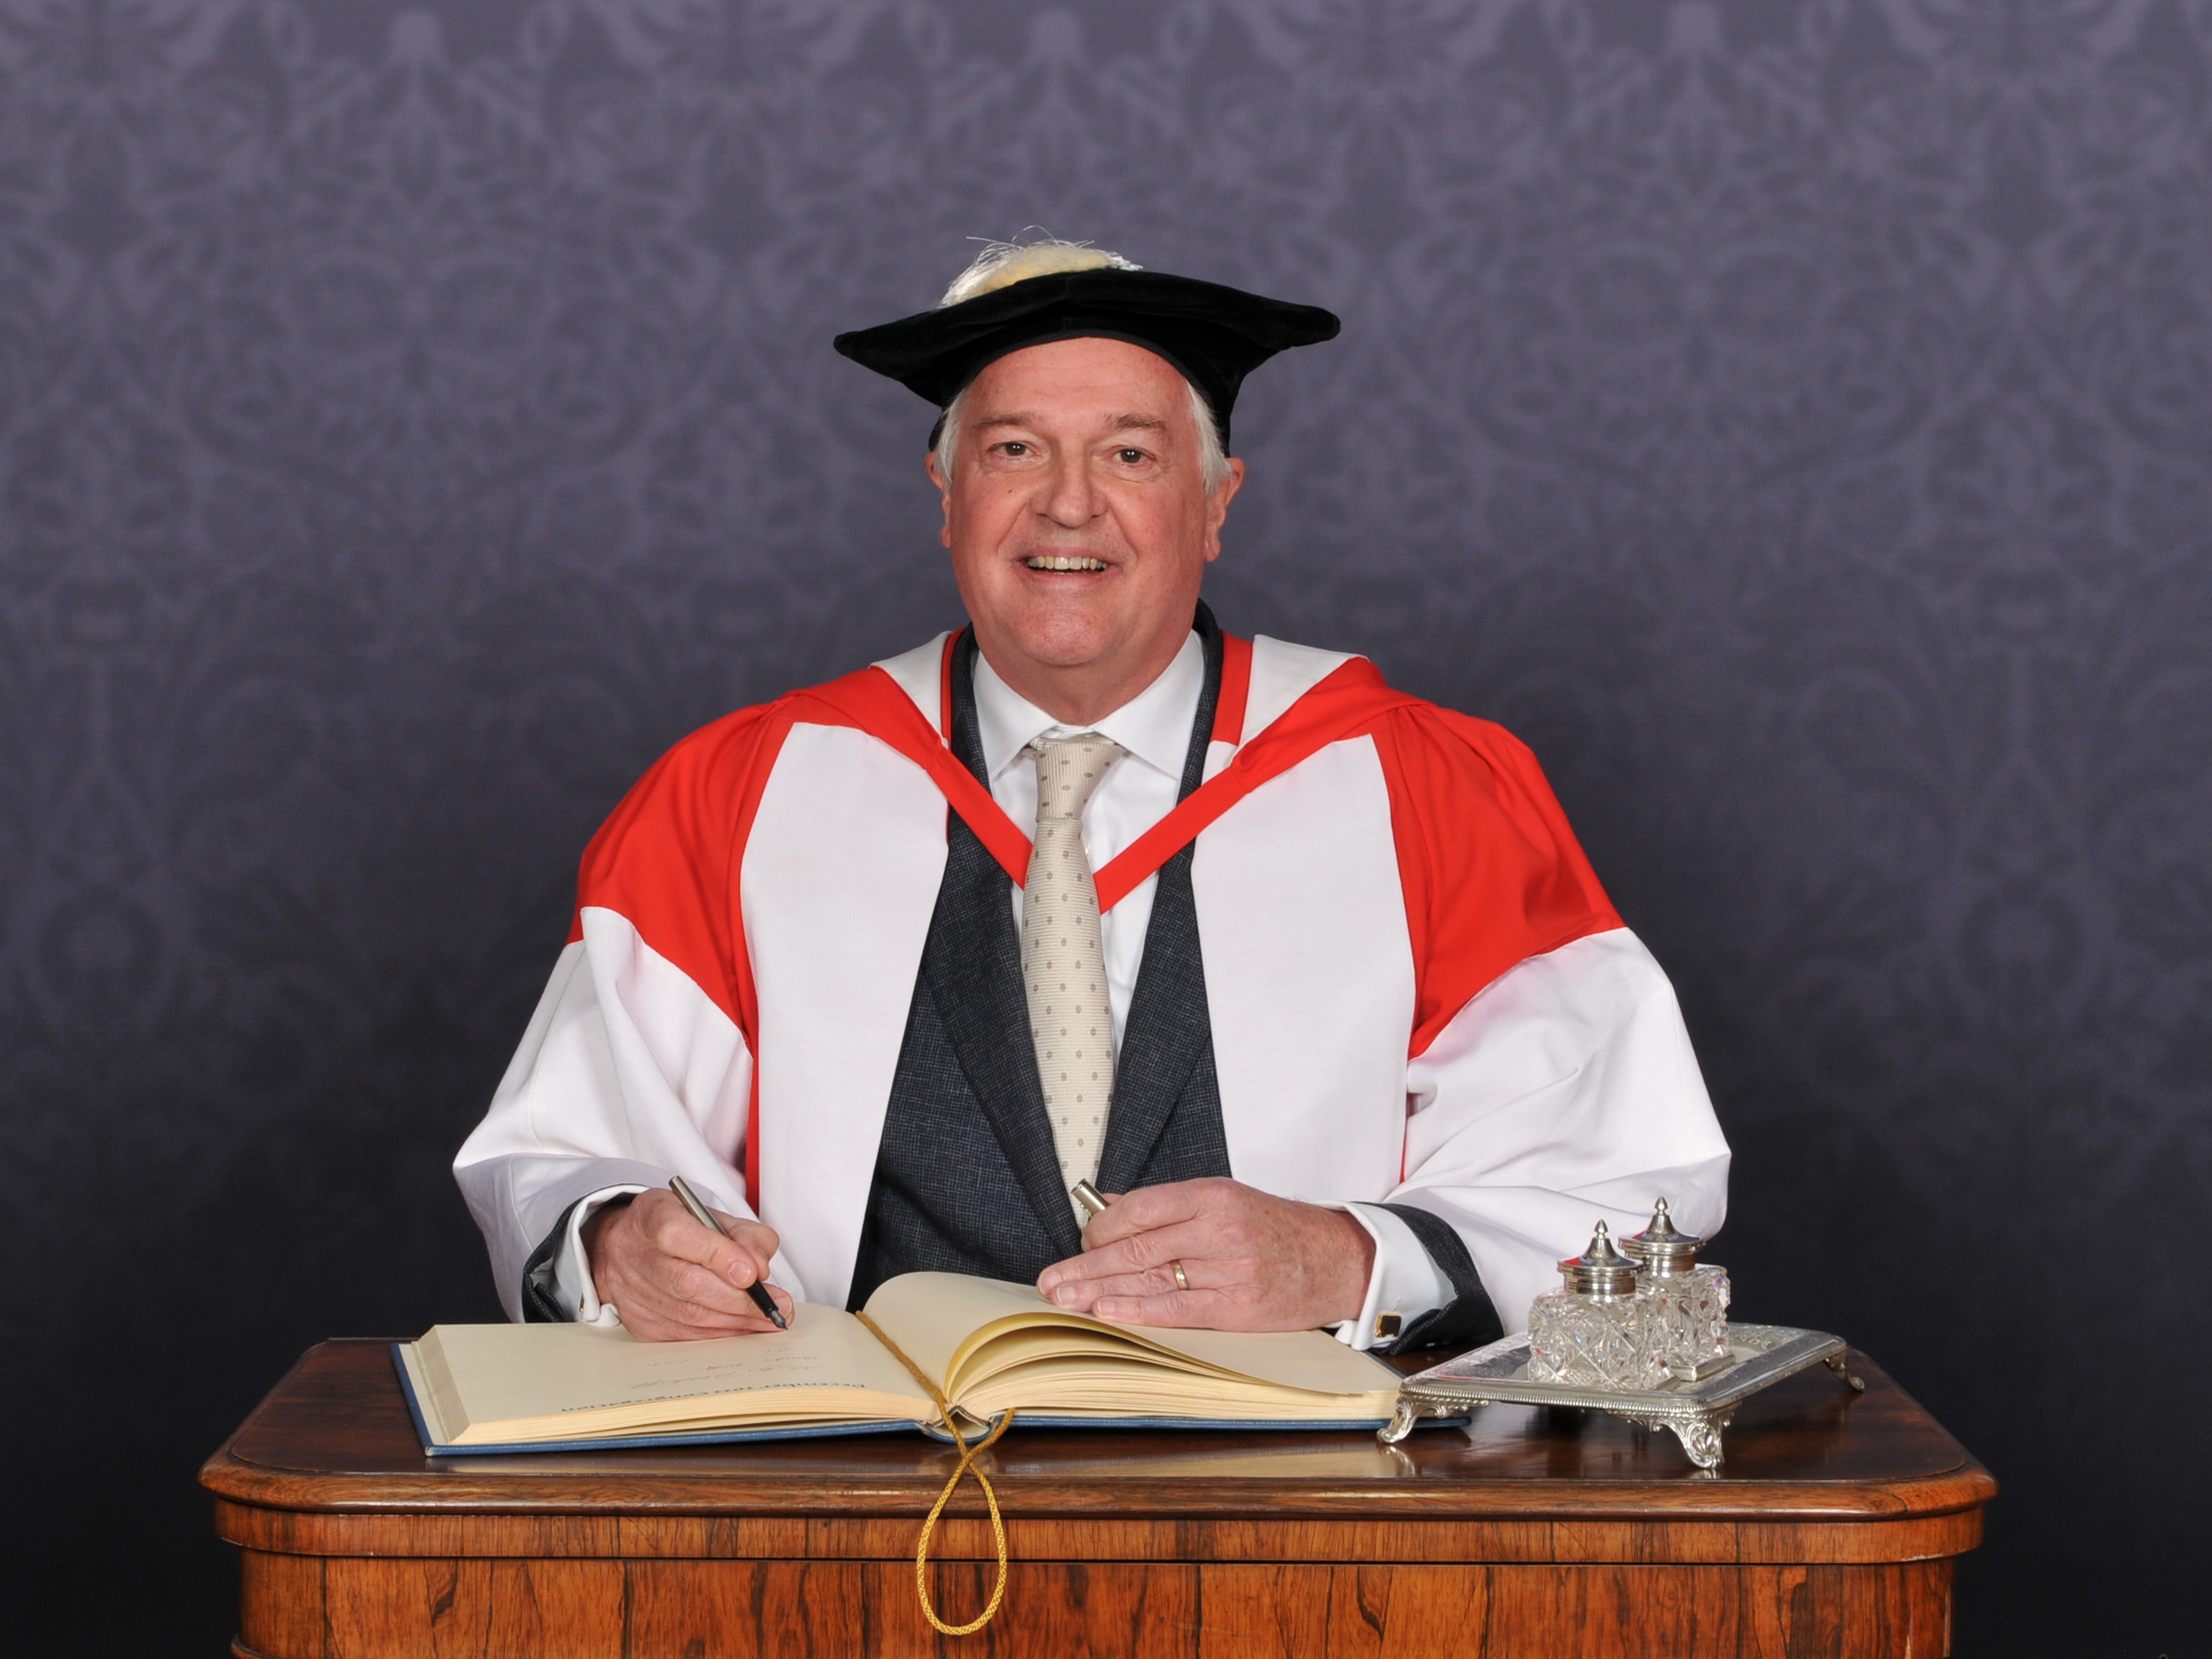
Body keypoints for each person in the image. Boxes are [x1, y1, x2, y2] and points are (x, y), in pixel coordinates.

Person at [454, 236, 1730, 1350]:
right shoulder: (736, 796)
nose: (1069, 503)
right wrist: (618, 1244)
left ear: (1218, 501)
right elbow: (567, 1152)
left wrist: (1349, 1260)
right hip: (858, 1525)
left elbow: (1618, 1175)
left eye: (1131, 452)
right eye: (1014, 449)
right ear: (945, 495)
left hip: (1319, 1538)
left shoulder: (1423, 785)